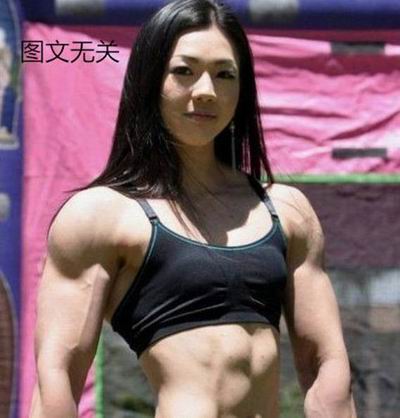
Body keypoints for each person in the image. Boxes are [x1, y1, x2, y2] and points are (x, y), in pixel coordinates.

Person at [29, 1, 358, 417]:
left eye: (225, 74)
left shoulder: (288, 211)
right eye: (184, 71)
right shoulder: (100, 216)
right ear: (150, 79)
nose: (206, 90)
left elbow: (326, 365)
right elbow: (58, 376)